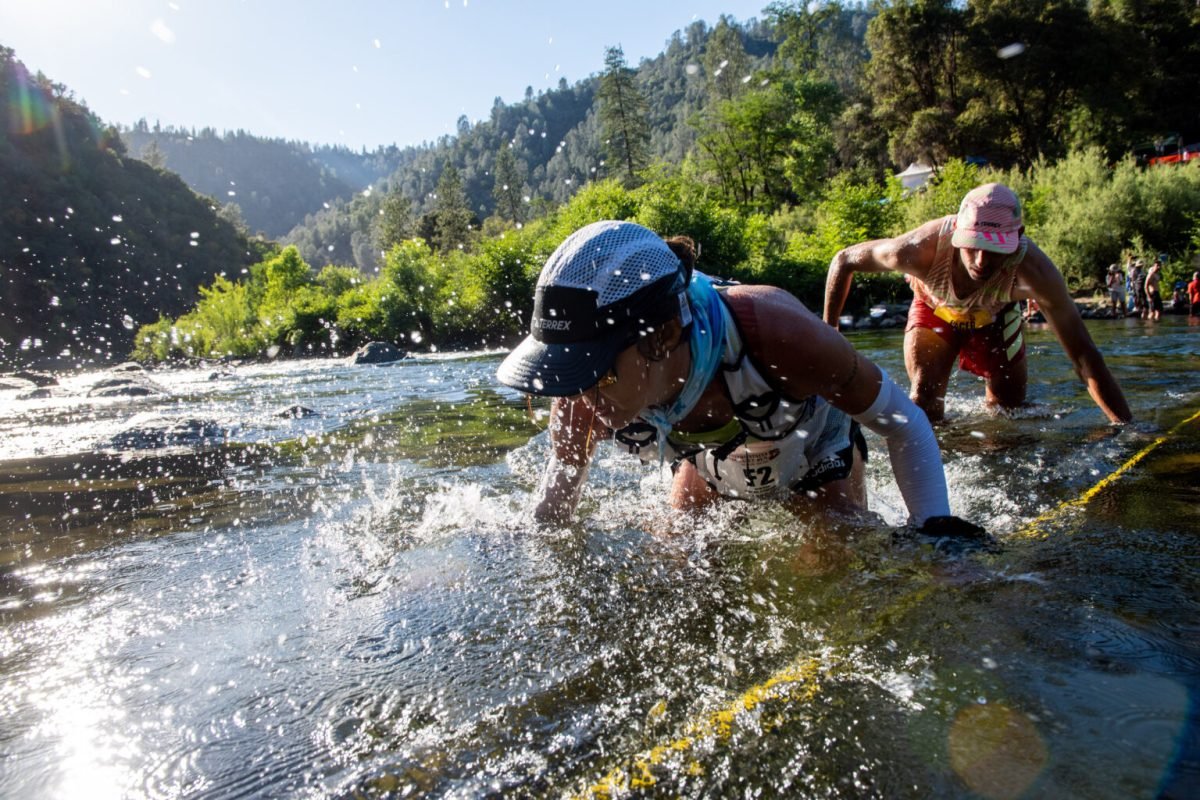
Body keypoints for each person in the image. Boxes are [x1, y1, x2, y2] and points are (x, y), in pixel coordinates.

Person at [498, 220, 970, 534]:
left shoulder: (779, 333)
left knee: (837, 556)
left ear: (663, 335)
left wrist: (938, 538)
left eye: (597, 372)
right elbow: (551, 526)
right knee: (677, 565)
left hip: (812, 440)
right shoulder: (578, 392)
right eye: (568, 373)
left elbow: (906, 424)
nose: (580, 397)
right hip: (707, 455)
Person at [824, 183, 1131, 424]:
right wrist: (830, 332)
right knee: (925, 404)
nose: (982, 261)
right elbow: (843, 260)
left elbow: (1085, 357)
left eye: (996, 248)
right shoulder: (918, 249)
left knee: (1007, 413)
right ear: (957, 231)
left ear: (1019, 236)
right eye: (973, 246)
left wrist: (1125, 428)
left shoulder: (1035, 274)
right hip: (935, 308)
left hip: (995, 317)